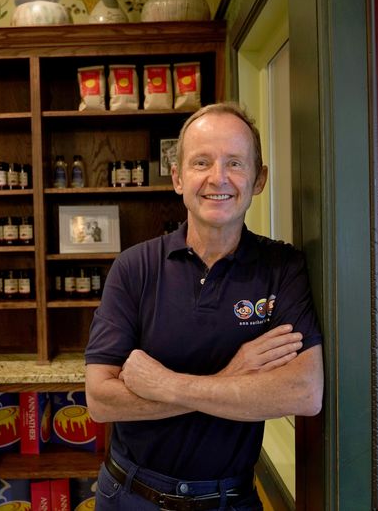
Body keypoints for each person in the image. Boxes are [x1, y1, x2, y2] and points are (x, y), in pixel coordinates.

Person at [85, 102, 324, 510]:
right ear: (178, 177)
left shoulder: (282, 268)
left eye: (235, 162)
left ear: (259, 178)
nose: (219, 178)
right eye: (201, 162)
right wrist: (234, 378)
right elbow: (101, 401)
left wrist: (167, 384)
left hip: (228, 500)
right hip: (130, 495)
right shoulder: (134, 267)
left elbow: (303, 393)